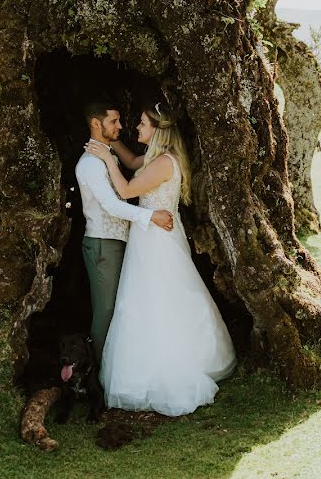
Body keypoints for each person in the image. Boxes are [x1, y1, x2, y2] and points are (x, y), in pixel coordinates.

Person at [84, 102, 236, 416]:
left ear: (157, 130)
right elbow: (132, 159)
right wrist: (111, 145)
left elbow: (125, 190)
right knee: (160, 296)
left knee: (156, 298)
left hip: (155, 239)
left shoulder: (164, 163)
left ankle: (165, 366)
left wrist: (105, 158)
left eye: (141, 123)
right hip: (154, 235)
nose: (135, 127)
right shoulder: (155, 158)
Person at [75, 101, 175, 365]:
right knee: (106, 311)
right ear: (96, 124)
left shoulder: (110, 157)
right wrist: (150, 216)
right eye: (114, 122)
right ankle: (95, 375)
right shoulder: (90, 164)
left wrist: (110, 150)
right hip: (102, 245)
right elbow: (112, 204)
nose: (122, 126)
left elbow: (132, 161)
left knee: (121, 308)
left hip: (120, 242)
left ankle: (116, 367)